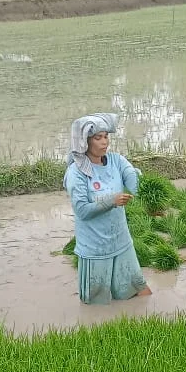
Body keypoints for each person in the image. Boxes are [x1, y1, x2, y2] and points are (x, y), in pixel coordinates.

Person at [63, 113, 153, 305]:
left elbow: (133, 179)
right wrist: (111, 200)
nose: (104, 142)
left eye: (106, 137)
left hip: (121, 242)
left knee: (140, 291)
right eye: (98, 138)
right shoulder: (76, 172)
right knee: (96, 304)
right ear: (84, 142)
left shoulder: (116, 161)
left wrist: (150, 199)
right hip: (95, 248)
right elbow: (82, 211)